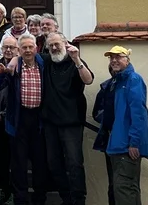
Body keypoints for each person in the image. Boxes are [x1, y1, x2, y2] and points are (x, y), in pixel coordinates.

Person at [40, 34, 93, 205]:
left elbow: (89, 79)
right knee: (53, 164)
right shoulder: (47, 61)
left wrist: (77, 60)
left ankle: (79, 200)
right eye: (50, 46)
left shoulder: (75, 62)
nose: (54, 48)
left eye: (57, 44)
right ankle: (66, 198)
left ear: (65, 43)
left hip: (72, 123)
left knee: (75, 164)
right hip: (50, 123)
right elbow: (25, 53)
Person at [92, 46, 148, 205]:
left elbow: (138, 113)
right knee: (126, 189)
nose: (114, 60)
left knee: (124, 189)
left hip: (126, 145)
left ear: (127, 59)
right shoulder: (116, 82)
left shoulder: (133, 79)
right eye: (111, 58)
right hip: (117, 144)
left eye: (119, 57)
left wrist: (134, 142)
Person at [0, 33, 46, 205]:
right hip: (19, 119)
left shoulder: (43, 64)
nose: (28, 50)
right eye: (24, 47)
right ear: (19, 50)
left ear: (36, 48)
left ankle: (39, 199)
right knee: (18, 163)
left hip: (39, 119)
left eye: (30, 47)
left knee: (39, 162)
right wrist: (2, 74)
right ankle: (20, 199)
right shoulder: (13, 67)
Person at [0, 36, 18, 205]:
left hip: (15, 120)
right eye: (5, 47)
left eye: (11, 47)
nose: (8, 50)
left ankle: (17, 192)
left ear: (17, 50)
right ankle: (4, 190)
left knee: (16, 158)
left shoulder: (20, 66)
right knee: (0, 158)